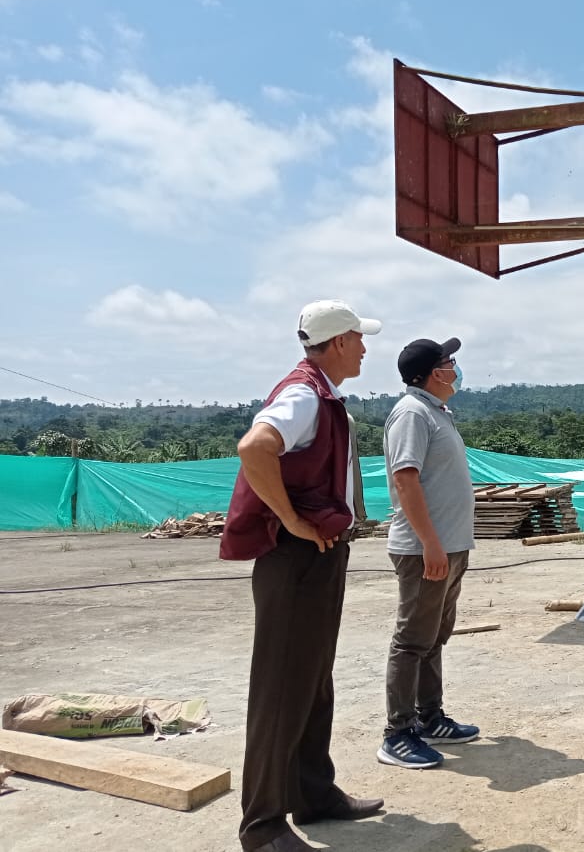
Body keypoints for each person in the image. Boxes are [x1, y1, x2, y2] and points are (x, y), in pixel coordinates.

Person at [221, 300, 385, 852]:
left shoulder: (323, 394)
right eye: (358, 338)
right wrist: (290, 519)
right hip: (295, 557)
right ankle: (263, 827)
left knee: (312, 678)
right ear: (337, 342)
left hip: (317, 555)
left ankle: (313, 793)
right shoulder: (304, 394)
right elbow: (254, 448)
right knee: (281, 688)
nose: (364, 348)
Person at [377, 336, 480, 770]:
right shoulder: (412, 414)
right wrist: (430, 544)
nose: (455, 368)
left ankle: (429, 717)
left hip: (449, 547)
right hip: (426, 550)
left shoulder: (436, 412)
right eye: (449, 362)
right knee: (412, 641)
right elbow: (406, 479)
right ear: (434, 373)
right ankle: (397, 734)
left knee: (433, 637)